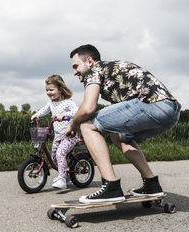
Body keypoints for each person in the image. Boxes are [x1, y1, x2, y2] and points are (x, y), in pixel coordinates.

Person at [65, 44, 181, 203]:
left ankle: (111, 187)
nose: (74, 72)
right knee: (119, 136)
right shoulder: (112, 67)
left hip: (151, 105)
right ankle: (151, 184)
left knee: (87, 124)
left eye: (76, 66)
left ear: (90, 61)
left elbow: (88, 108)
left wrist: (73, 124)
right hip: (171, 111)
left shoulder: (94, 70)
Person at [31, 74, 79, 189]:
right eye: (47, 90)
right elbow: (44, 110)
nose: (49, 92)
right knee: (53, 157)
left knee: (60, 154)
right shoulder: (51, 104)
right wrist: (36, 115)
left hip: (70, 135)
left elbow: (77, 111)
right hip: (58, 136)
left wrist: (64, 115)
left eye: (51, 90)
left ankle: (62, 179)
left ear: (61, 89)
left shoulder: (68, 102)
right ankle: (64, 174)